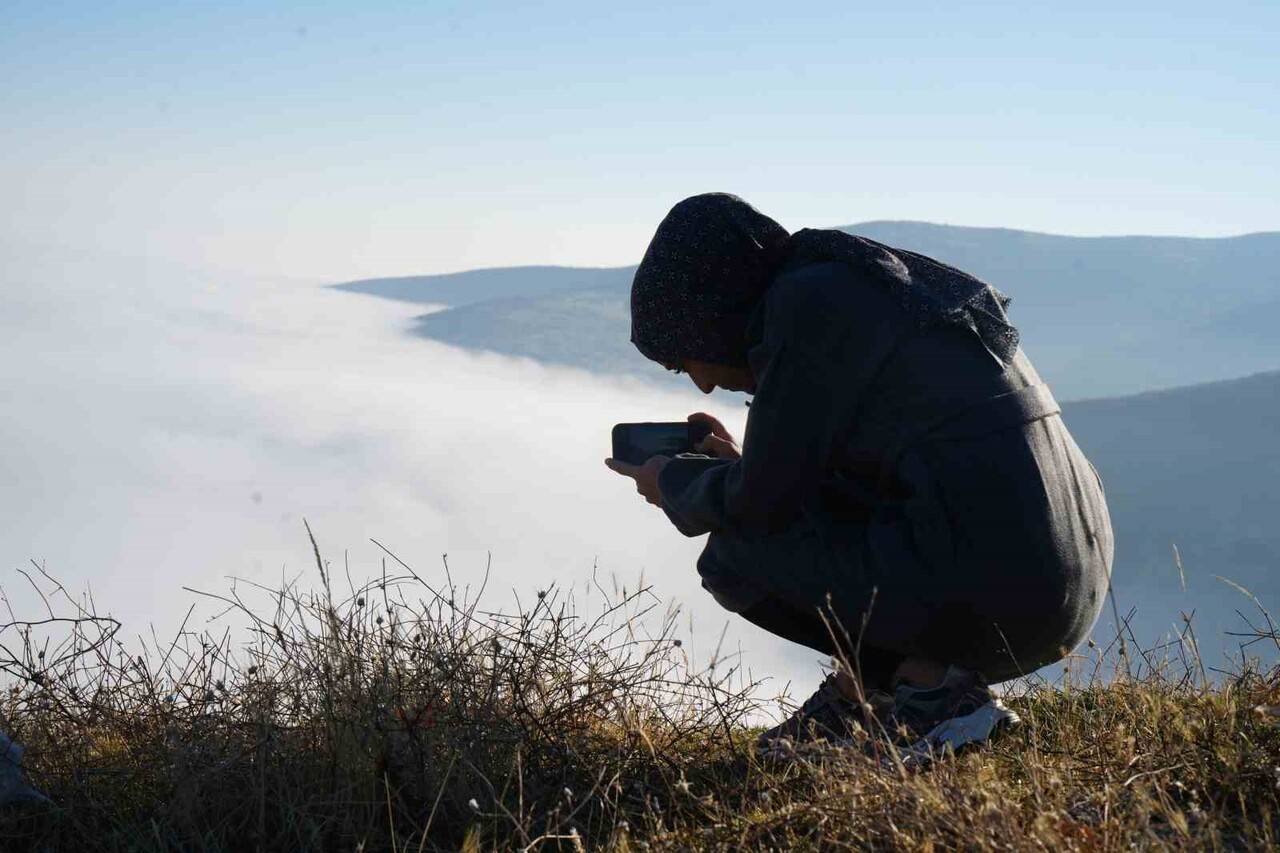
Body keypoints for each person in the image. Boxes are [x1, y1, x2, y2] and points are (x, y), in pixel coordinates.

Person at [604, 193, 1114, 762]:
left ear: (711, 315)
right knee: (778, 525)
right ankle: (867, 697)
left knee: (735, 552)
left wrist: (672, 482)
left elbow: (761, 507)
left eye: (686, 359)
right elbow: (832, 479)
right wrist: (732, 466)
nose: (700, 385)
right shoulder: (859, 287)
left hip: (1010, 589)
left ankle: (930, 700)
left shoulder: (806, 309)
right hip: (1064, 573)